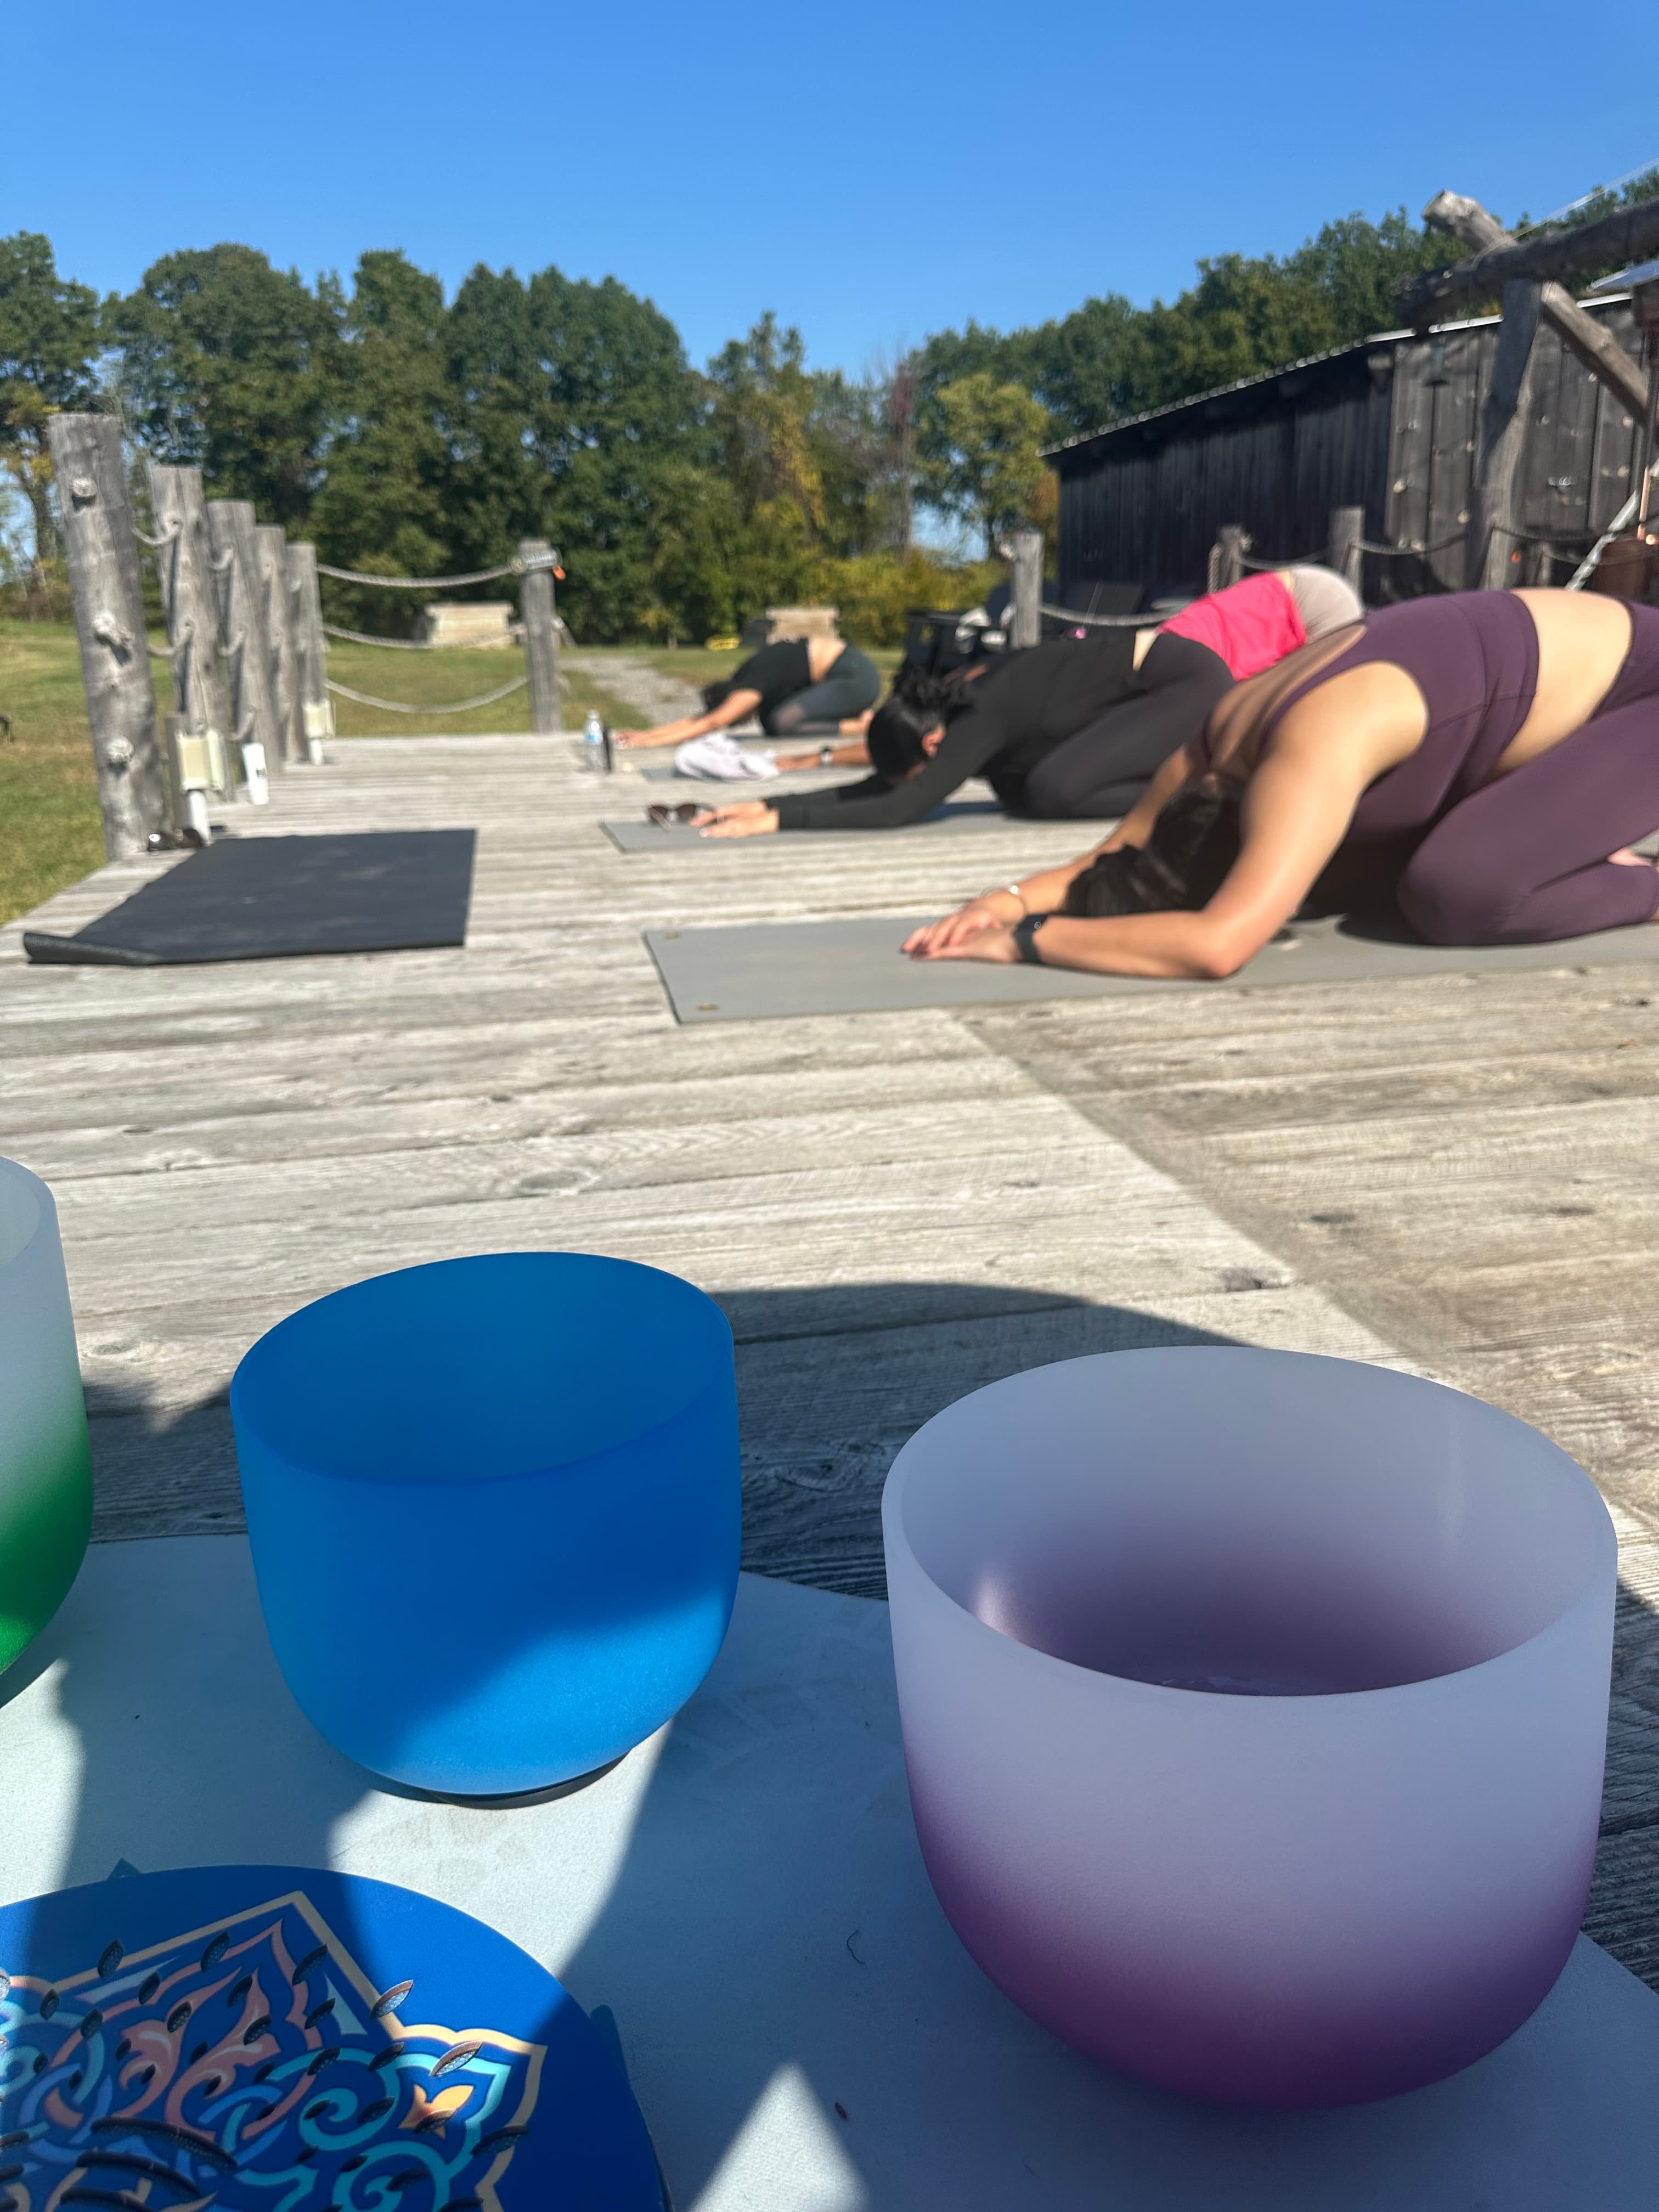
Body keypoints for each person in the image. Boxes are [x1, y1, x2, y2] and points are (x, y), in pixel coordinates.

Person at [901, 588, 1659, 977]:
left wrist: (1022, 944)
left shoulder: (1306, 756)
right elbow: (1114, 855)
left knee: (1458, 895)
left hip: (1643, 690)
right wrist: (994, 905)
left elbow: (1216, 946)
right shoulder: (1210, 749)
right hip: (1560, 694)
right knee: (1380, 880)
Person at [691, 567, 1360, 838]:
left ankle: (1206, 795)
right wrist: (772, 802)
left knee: (1052, 791)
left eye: (929, 764)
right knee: (1024, 790)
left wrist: (782, 824)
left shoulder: (976, 716)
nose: (942, 770)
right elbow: (886, 780)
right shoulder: (942, 716)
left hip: (1182, 680)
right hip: (1150, 681)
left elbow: (902, 804)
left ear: (933, 744)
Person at [614, 635, 882, 750]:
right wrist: (646, 734)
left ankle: (862, 726)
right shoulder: (745, 679)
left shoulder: (751, 687)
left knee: (782, 722)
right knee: (771, 721)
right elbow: (706, 718)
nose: (739, 721)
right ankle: (854, 718)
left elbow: (714, 722)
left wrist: (650, 743)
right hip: (841, 676)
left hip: (855, 678)